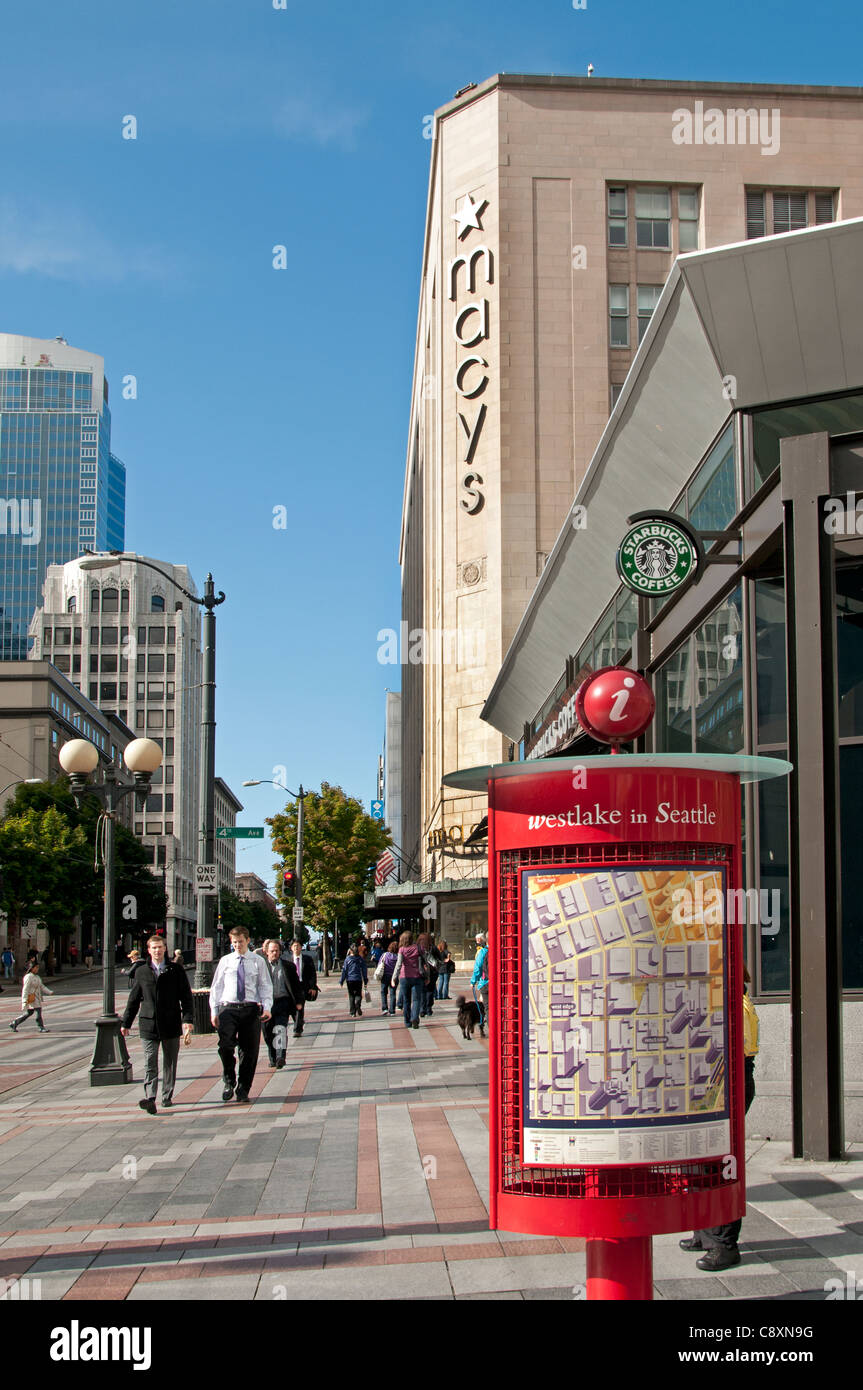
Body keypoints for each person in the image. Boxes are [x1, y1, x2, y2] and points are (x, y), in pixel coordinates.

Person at [680, 966, 759, 1272]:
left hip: (728, 1083)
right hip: (720, 1082)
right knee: (701, 1160)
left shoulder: (733, 1002)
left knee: (719, 1163)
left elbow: (729, 1052)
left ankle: (724, 1244)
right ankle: (704, 1232)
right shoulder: (734, 996)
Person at [121, 934, 194, 1114]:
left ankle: (167, 1095)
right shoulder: (142, 972)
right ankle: (150, 1097)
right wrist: (126, 1023)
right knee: (150, 1061)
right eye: (154, 948)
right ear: (148, 950)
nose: (157, 951)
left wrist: (188, 1020)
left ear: (165, 949)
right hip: (148, 1024)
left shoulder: (175, 970)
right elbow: (134, 999)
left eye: (160, 947)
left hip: (170, 1022)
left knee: (170, 1062)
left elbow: (186, 997)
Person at [209, 925, 273, 1103]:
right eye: (234, 942)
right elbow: (217, 987)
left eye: (240, 942)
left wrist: (267, 1007)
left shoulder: (257, 961)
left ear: (248, 941)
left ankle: (244, 1088)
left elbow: (265, 985)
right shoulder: (226, 961)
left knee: (249, 1051)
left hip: (250, 1008)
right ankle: (229, 1079)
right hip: (228, 1008)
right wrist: (214, 1011)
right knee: (225, 1046)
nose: (237, 945)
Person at [261, 939, 299, 1068]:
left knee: (280, 1029)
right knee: (267, 1033)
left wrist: (299, 1002)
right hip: (266, 1005)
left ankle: (280, 1056)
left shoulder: (288, 966)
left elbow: (295, 985)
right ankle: (272, 1056)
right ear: (266, 952)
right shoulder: (261, 967)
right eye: (272, 951)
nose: (275, 953)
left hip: (282, 1002)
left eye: (277, 950)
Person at [390, 931, 427, 1030]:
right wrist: (428, 977)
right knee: (416, 1000)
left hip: (404, 977)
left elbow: (398, 964)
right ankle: (415, 1017)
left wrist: (394, 978)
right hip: (417, 977)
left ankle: (407, 1022)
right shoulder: (419, 948)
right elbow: (426, 963)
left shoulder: (401, 950)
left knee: (406, 1001)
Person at [9, 962, 52, 1033]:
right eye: (36, 967)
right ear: (31, 968)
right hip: (31, 998)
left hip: (37, 998)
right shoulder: (28, 977)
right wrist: (24, 1001)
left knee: (28, 1013)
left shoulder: (37, 977)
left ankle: (14, 1023)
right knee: (38, 1012)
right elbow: (25, 989)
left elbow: (41, 986)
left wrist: (49, 992)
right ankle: (41, 1027)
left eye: (38, 967)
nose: (37, 969)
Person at [287, 937, 317, 1037]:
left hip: (302, 986)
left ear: (301, 947)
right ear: (291, 948)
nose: (296, 948)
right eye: (294, 946)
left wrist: (312, 987)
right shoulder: (287, 960)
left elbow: (312, 973)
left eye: (298, 946)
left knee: (300, 1007)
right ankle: (299, 1021)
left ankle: (297, 1029)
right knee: (292, 1008)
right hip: (291, 987)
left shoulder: (307, 959)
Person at [340, 943, 368, 1017]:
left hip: (349, 979)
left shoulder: (347, 959)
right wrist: (365, 979)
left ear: (350, 951)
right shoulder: (360, 959)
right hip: (358, 979)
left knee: (351, 995)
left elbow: (344, 970)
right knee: (358, 994)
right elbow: (364, 969)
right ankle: (357, 1004)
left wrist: (342, 980)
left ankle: (352, 1012)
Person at [417, 933, 439, 1016]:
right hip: (432, 972)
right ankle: (429, 1008)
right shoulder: (433, 947)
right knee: (430, 990)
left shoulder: (417, 948)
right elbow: (440, 958)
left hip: (421, 971)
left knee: (422, 991)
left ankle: (422, 1009)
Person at [376, 937, 399, 1014]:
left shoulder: (385, 955)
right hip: (394, 977)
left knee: (383, 992)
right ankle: (392, 1010)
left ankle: (384, 1008)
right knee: (393, 993)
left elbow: (380, 964)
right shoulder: (398, 957)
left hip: (385, 976)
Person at [471, 933, 489, 1029]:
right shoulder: (501, 949)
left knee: (488, 1008)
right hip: (499, 984)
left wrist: (473, 981)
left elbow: (477, 968)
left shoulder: (482, 952)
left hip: (485, 983)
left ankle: (491, 1028)